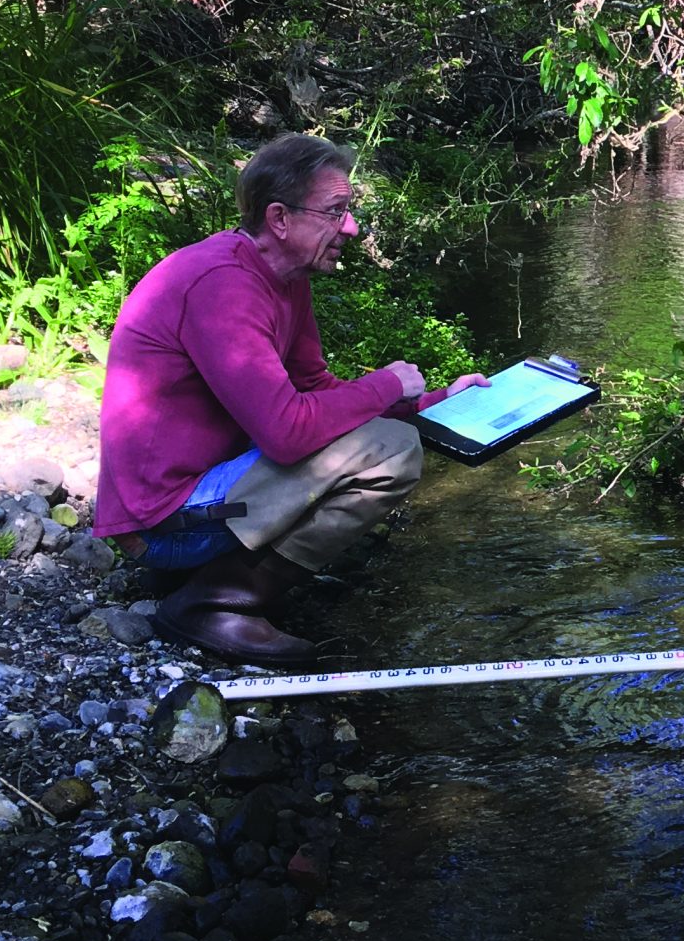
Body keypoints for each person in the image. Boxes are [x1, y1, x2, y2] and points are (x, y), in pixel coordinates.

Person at [93, 132, 481, 665]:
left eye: (350, 210)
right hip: (162, 525)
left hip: (195, 497)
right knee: (393, 450)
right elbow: (286, 431)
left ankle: (212, 582)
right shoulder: (223, 284)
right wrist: (388, 385)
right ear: (279, 219)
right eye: (335, 212)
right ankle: (213, 603)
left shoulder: (284, 276)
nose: (351, 226)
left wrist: (432, 401)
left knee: (390, 430)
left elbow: (316, 391)